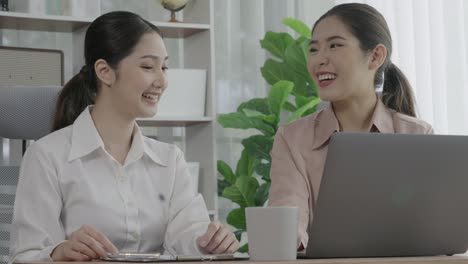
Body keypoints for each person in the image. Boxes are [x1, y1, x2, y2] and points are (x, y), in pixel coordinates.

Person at [9, 11, 239, 263]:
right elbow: (25, 256)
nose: (162, 80)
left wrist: (210, 242)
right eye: (148, 67)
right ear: (105, 71)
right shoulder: (47, 157)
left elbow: (189, 238)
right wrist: (59, 253)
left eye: (164, 67)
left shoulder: (170, 160)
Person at [268, 3, 433, 250]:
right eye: (313, 49)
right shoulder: (293, 139)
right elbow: (289, 228)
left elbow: (430, 228)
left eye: (334, 45)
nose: (319, 60)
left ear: (376, 56)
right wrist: (285, 240)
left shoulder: (418, 135)